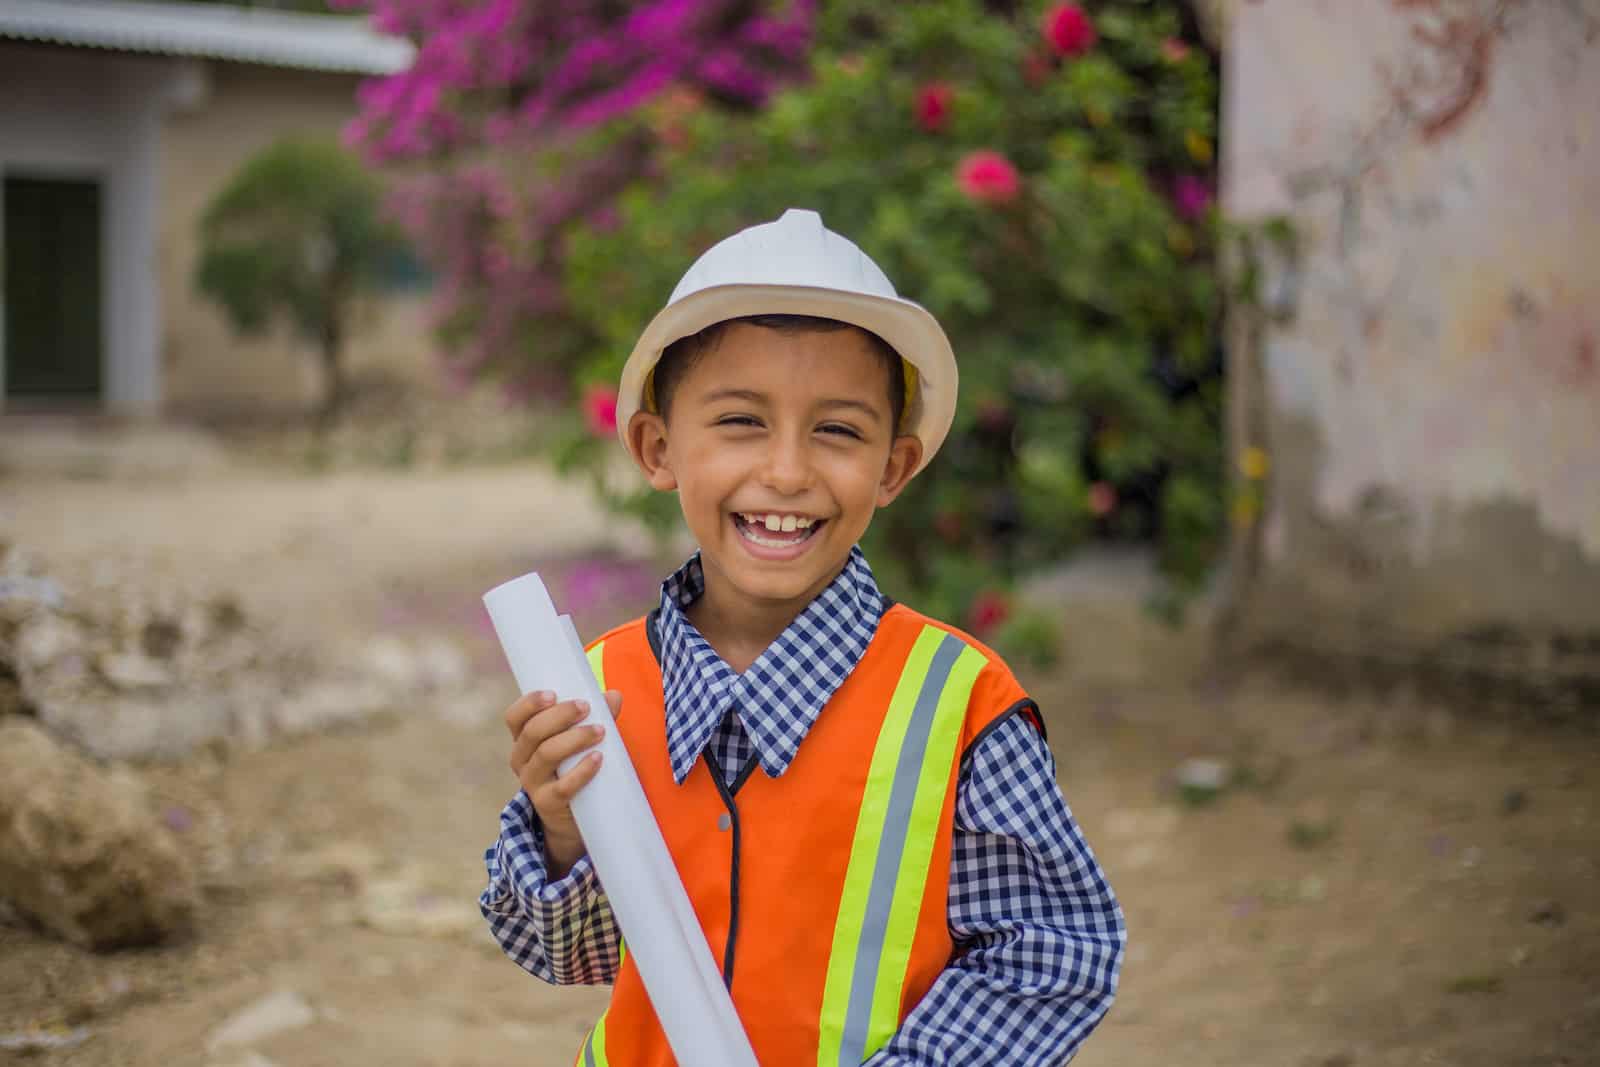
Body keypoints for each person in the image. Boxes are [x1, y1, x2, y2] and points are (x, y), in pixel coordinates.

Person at [479, 209, 1125, 1066]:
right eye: (742, 420)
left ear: (892, 467)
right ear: (657, 446)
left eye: (838, 429)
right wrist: (563, 830)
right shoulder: (601, 687)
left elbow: (1053, 947)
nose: (786, 471)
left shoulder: (956, 704)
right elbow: (577, 954)